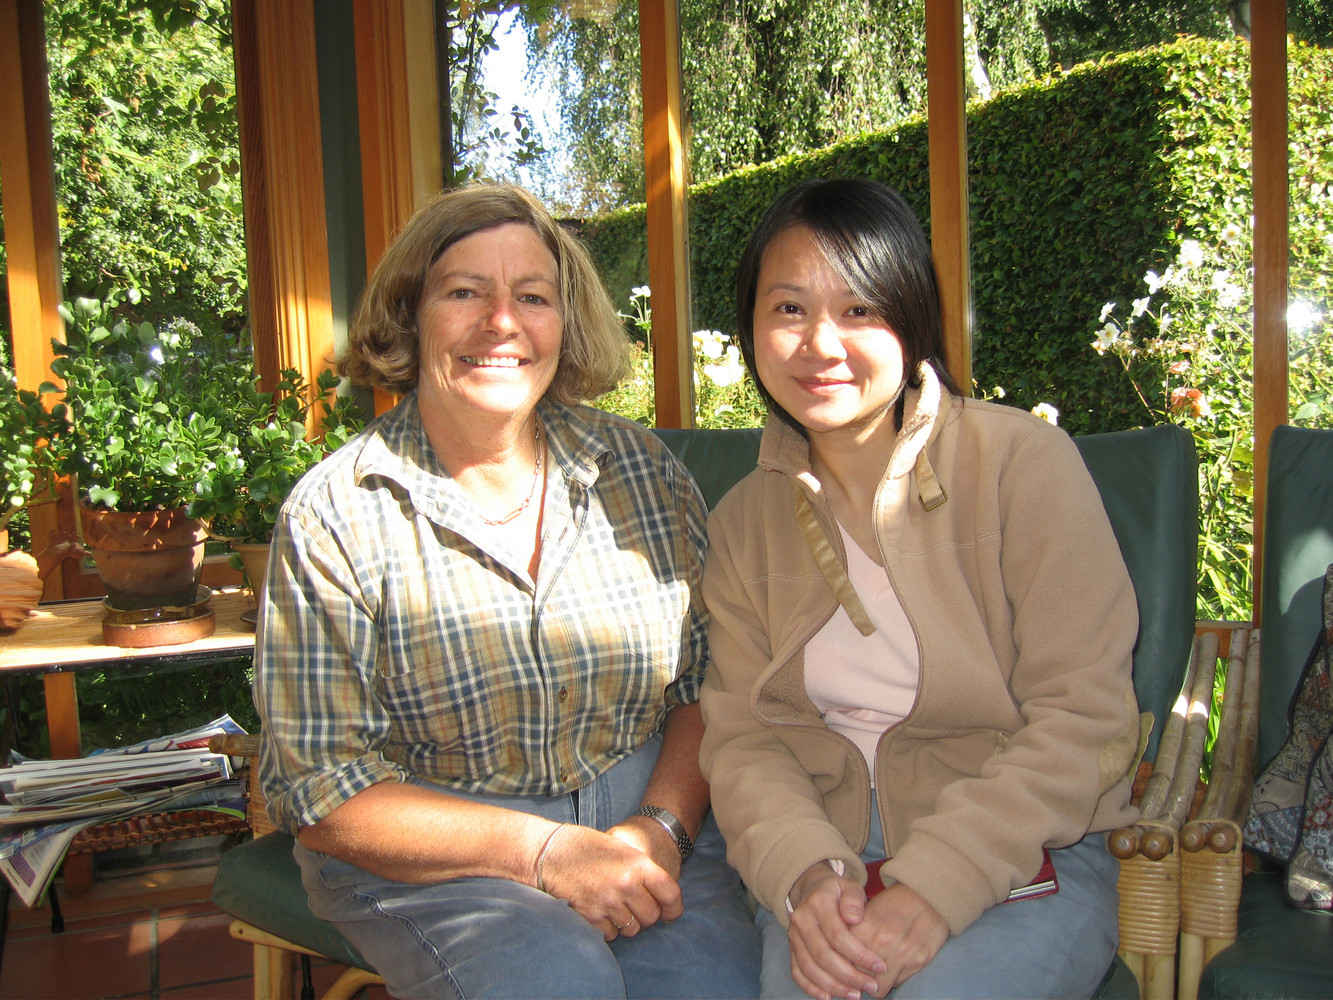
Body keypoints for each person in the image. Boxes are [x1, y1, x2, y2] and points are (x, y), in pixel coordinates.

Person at [253, 183, 760, 1000]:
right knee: (559, 982)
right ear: (411, 314)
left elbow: (710, 683)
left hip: (644, 817)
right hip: (436, 859)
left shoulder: (640, 473)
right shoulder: (335, 515)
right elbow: (319, 789)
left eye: (532, 296)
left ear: (566, 321)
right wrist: (545, 852)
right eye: (464, 293)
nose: (501, 322)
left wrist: (661, 828)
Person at [697, 178, 1142, 1000]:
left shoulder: (1020, 466)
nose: (820, 343)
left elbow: (1086, 716)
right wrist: (805, 875)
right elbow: (742, 737)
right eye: (788, 308)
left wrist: (937, 883)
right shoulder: (741, 523)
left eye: (859, 309)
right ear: (750, 327)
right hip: (823, 860)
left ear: (911, 318)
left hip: (1021, 849)